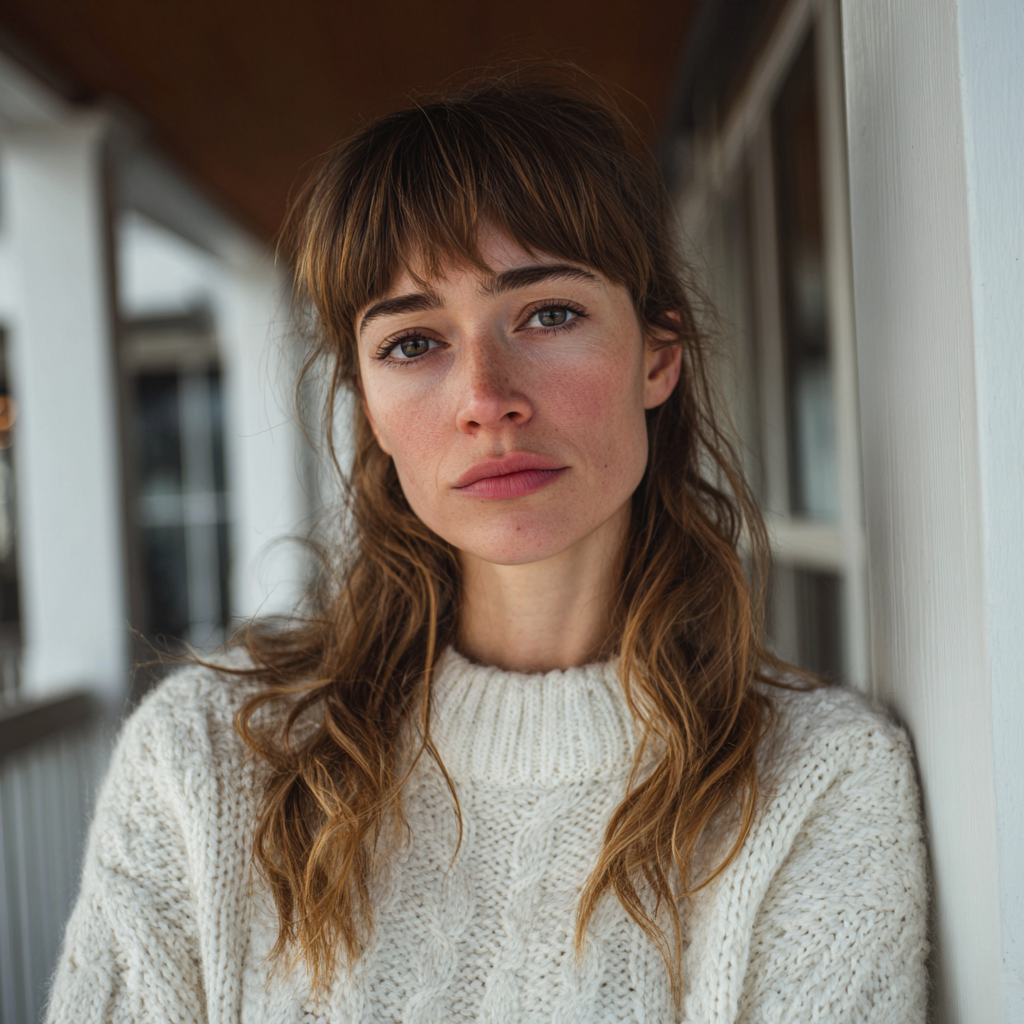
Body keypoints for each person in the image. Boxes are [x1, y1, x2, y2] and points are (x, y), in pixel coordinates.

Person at [46, 69, 928, 1023]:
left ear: (658, 357)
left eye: (548, 314)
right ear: (370, 409)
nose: (485, 398)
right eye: (413, 344)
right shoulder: (206, 760)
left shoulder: (817, 782)